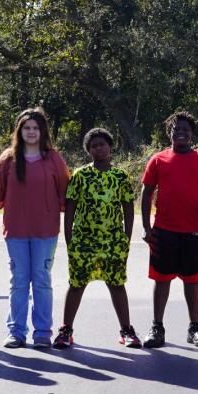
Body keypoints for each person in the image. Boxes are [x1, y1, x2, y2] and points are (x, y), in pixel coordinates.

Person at [140, 111, 198, 349]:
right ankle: (157, 327)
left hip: (195, 231)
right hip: (164, 231)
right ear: (170, 133)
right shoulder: (158, 160)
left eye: (186, 130)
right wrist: (146, 227)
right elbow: (146, 194)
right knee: (161, 279)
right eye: (177, 129)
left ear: (192, 134)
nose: (181, 133)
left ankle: (194, 327)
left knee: (191, 281)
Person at [0, 108, 70, 349]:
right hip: (15, 231)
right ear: (19, 131)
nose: (32, 132)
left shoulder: (53, 158)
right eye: (27, 128)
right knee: (19, 281)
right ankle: (16, 331)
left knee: (42, 281)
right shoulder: (7, 159)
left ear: (42, 131)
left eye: (36, 128)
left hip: (45, 231)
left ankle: (43, 332)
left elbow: (65, 192)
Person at [55, 128, 141, 349]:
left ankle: (126, 330)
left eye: (102, 144)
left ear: (110, 147)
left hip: (113, 241)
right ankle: (66, 330)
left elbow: (128, 207)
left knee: (116, 284)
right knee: (76, 284)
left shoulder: (120, 176)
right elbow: (71, 207)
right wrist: (69, 239)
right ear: (88, 150)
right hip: (84, 241)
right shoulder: (80, 175)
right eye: (93, 145)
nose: (98, 148)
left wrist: (126, 238)